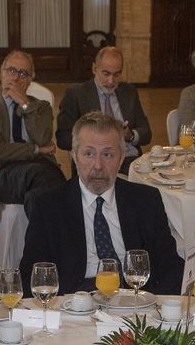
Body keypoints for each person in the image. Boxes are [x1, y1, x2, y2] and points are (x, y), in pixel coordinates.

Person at [20, 112, 184, 296]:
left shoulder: (146, 200)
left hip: (134, 299)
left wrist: (151, 304)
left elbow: (171, 266)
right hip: (75, 300)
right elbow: (31, 275)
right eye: (89, 154)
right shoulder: (49, 206)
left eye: (107, 155)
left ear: (121, 158)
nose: (98, 165)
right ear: (75, 156)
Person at [0, 50, 63, 206]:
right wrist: (36, 149)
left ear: (30, 81)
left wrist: (25, 104)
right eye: (11, 70)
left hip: (42, 166)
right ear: (2, 74)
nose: (15, 78)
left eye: (23, 74)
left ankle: (39, 222)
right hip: (6, 171)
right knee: (49, 181)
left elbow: (42, 138)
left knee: (37, 194)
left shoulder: (42, 107)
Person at [55, 47, 152, 174]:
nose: (111, 81)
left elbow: (146, 133)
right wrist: (93, 138)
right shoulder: (76, 95)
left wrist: (130, 135)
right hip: (93, 162)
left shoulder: (129, 92)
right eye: (106, 74)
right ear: (94, 69)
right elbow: (62, 139)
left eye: (116, 75)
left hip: (129, 160)